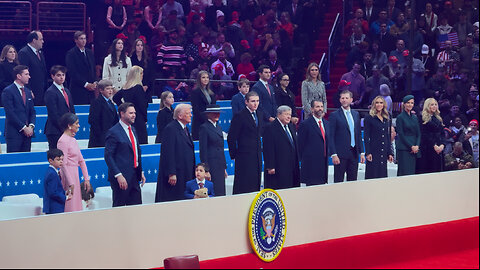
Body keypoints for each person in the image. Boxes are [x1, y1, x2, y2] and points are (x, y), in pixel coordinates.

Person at [105, 103, 146, 207]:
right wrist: (118, 175)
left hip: (134, 175)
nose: (134, 115)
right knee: (120, 209)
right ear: (122, 114)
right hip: (121, 178)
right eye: (131, 113)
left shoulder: (133, 129)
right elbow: (108, 156)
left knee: (136, 208)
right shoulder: (113, 132)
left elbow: (136, 151)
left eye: (134, 113)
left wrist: (140, 171)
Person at [155, 104, 195, 202]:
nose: (191, 115)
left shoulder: (185, 128)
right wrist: (171, 173)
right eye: (188, 113)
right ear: (180, 116)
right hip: (176, 173)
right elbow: (168, 152)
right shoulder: (171, 129)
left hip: (186, 171)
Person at [227, 91, 264, 194]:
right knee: (244, 184)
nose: (255, 103)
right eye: (253, 101)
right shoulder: (240, 116)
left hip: (256, 155)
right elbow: (231, 137)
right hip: (243, 156)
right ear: (246, 102)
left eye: (257, 101)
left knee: (255, 182)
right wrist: (234, 155)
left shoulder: (260, 114)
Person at [328, 90, 365, 182]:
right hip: (340, 155)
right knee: (338, 181)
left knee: (352, 181)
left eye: (346, 98)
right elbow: (330, 136)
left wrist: (362, 152)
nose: (344, 100)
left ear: (351, 99)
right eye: (342, 98)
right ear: (340, 100)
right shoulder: (334, 115)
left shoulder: (356, 114)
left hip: (354, 154)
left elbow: (358, 134)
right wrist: (334, 154)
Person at [57, 113, 91, 212]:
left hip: (75, 175)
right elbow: (63, 164)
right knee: (70, 205)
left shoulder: (73, 140)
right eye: (76, 123)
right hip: (68, 177)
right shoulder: (62, 141)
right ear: (69, 125)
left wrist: (86, 179)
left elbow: (81, 160)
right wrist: (70, 183)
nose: (79, 125)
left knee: (77, 206)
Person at [263, 105, 300, 190]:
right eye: (286, 114)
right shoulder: (270, 128)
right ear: (279, 115)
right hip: (279, 167)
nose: (288, 117)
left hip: (293, 166)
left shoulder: (291, 126)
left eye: (290, 115)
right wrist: (270, 166)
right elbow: (268, 148)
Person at [1, 65, 36, 153]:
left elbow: (32, 112)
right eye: (26, 74)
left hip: (28, 135)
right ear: (19, 76)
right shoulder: (8, 91)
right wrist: (24, 128)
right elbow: (10, 113)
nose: (29, 76)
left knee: (26, 161)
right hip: (14, 134)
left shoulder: (28, 92)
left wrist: (31, 126)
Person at [113, 66, 149, 145]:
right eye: (141, 74)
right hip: (138, 118)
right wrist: (145, 118)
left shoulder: (125, 87)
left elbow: (115, 98)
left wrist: (124, 107)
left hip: (128, 118)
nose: (142, 76)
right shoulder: (138, 88)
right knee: (141, 141)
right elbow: (142, 105)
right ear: (137, 75)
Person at [298, 100, 329, 186]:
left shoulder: (327, 124)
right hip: (311, 165)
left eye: (321, 107)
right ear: (312, 109)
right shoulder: (305, 124)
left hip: (323, 163)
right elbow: (300, 145)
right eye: (317, 107)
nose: (320, 109)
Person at [44, 65, 75, 149]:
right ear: (52, 76)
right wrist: (65, 128)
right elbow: (53, 114)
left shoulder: (67, 91)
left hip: (67, 130)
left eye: (63, 75)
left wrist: (73, 126)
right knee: (57, 157)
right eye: (58, 75)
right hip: (55, 131)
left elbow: (71, 110)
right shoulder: (50, 92)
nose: (61, 77)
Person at [199, 105, 227, 196]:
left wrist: (224, 167)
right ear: (208, 114)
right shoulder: (204, 127)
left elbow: (221, 149)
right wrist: (206, 170)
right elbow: (203, 151)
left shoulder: (218, 127)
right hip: (211, 165)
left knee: (221, 190)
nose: (217, 115)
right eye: (214, 113)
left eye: (218, 113)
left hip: (220, 165)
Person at [364, 96, 394, 179]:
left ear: (384, 104)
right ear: (374, 104)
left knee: (382, 174)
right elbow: (366, 136)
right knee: (373, 174)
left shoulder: (386, 117)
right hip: (374, 150)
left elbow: (387, 136)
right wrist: (368, 152)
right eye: (377, 102)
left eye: (381, 103)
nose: (379, 104)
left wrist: (390, 152)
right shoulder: (369, 117)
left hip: (383, 151)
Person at [65, 31, 96, 105]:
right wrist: (86, 84)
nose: (83, 40)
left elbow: (93, 69)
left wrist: (94, 82)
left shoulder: (90, 52)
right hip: (78, 90)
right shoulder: (71, 54)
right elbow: (72, 72)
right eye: (81, 38)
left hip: (91, 91)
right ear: (76, 40)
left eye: (85, 38)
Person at [18, 31, 47, 106]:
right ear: (34, 40)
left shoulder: (40, 53)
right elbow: (23, 74)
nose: (43, 42)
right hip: (32, 92)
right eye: (41, 39)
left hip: (41, 91)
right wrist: (28, 90)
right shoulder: (24, 53)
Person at [417, 98, 445, 174]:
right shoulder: (422, 118)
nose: (434, 106)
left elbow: (442, 133)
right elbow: (424, 134)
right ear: (427, 106)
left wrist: (442, 145)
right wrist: (434, 145)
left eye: (435, 104)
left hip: (439, 148)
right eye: (432, 104)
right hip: (427, 149)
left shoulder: (439, 118)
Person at [88, 80, 119, 148]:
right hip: (99, 138)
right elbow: (93, 120)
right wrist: (101, 135)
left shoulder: (110, 102)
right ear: (101, 90)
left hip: (110, 136)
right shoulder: (96, 102)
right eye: (108, 89)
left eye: (111, 88)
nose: (110, 91)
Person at [395, 95, 421, 176]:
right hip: (404, 148)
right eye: (408, 103)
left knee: (412, 173)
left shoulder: (414, 117)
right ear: (404, 104)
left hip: (414, 149)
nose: (410, 105)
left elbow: (418, 133)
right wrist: (411, 146)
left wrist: (417, 145)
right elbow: (401, 135)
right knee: (404, 172)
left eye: (412, 103)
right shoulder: (400, 117)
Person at [43, 149, 72, 215]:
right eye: (58, 160)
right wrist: (65, 197)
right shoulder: (52, 174)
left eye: (62, 159)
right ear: (50, 161)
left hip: (55, 206)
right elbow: (53, 192)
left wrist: (64, 193)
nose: (61, 162)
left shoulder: (53, 172)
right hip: (54, 207)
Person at [191, 70, 216, 140]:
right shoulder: (195, 92)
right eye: (203, 77)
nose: (206, 79)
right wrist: (206, 119)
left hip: (210, 121)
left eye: (207, 77)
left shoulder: (211, 93)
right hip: (200, 123)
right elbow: (196, 109)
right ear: (199, 79)